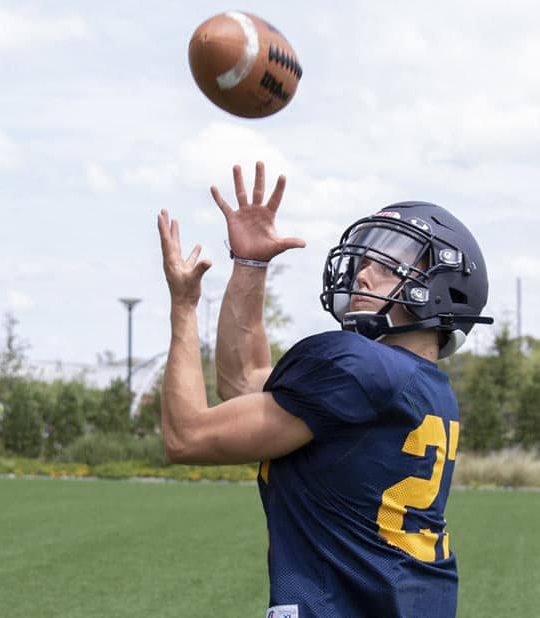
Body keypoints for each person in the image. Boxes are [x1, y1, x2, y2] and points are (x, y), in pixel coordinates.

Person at [156, 161, 492, 618]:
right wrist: (250, 265)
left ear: (441, 284)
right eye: (365, 261)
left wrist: (184, 305)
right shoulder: (423, 386)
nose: (363, 274)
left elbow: (186, 436)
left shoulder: (358, 366)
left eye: (388, 264)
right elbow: (244, 383)